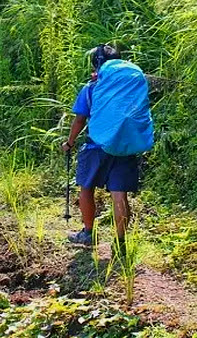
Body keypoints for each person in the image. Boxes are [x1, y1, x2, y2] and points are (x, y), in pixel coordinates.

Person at [62, 44, 151, 248]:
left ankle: (88, 234)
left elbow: (79, 120)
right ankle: (120, 243)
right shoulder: (129, 88)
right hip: (124, 146)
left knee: (86, 188)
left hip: (96, 147)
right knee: (119, 195)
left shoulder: (91, 88)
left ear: (97, 65)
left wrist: (69, 143)